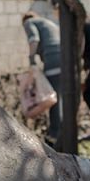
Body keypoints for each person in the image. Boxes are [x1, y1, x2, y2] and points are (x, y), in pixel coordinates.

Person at [22, 11, 62, 142]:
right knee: (60, 97)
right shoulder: (49, 23)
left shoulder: (29, 22)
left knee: (53, 98)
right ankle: (59, 131)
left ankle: (55, 134)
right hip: (64, 59)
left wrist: (32, 59)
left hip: (52, 59)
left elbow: (34, 39)